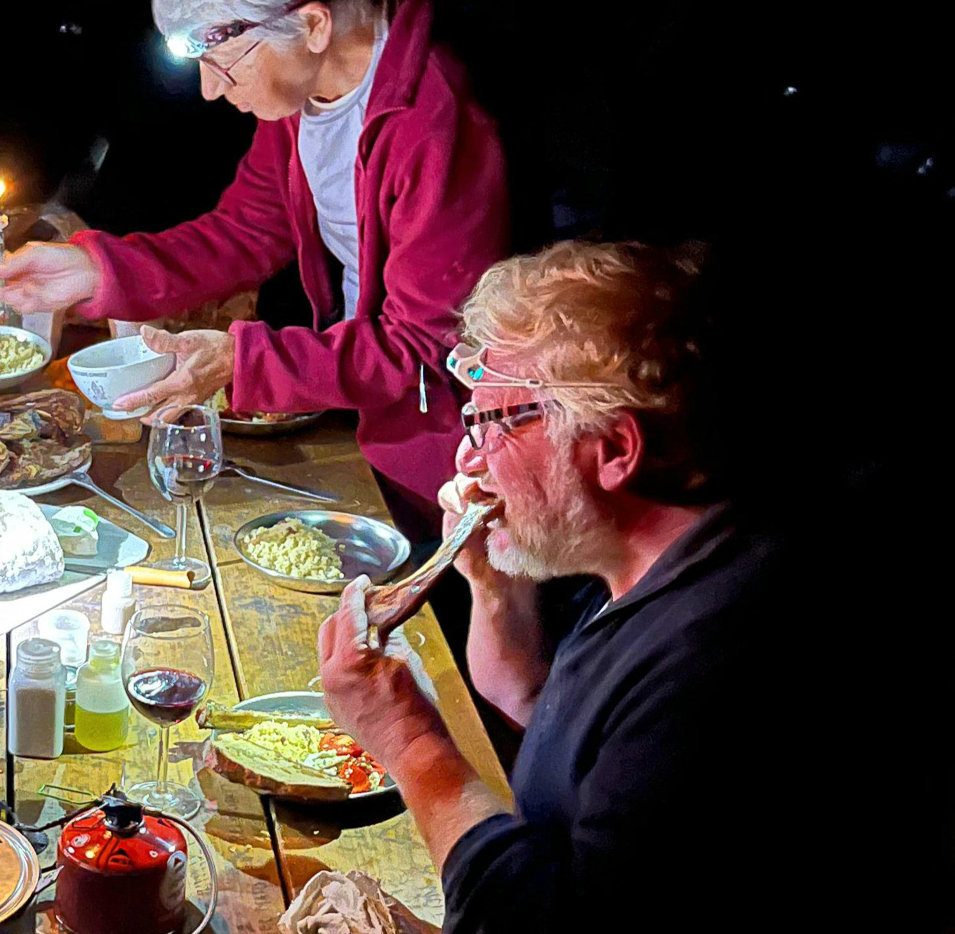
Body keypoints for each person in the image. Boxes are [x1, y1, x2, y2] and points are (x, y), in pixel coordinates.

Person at [311, 240, 854, 932]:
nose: (468, 459)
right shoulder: (667, 560)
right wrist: (491, 582)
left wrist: (406, 737)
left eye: (493, 424)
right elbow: (548, 722)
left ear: (615, 450)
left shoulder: (722, 656)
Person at [0, 0, 508, 535]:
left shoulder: (437, 122)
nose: (210, 89)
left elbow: (419, 350)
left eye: (221, 55)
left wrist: (242, 360)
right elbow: (248, 228)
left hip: (456, 466)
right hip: (370, 427)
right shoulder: (303, 91)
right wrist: (99, 271)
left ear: (313, 23)